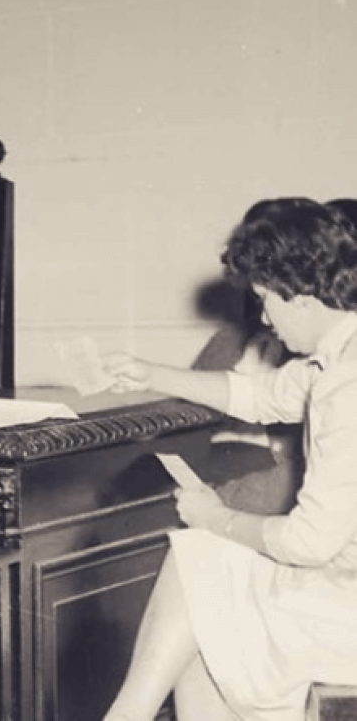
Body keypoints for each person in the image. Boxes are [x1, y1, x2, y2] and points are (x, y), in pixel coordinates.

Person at [100, 198, 357, 721]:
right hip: (342, 585)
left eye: (266, 299)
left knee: (203, 567)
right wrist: (150, 373)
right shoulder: (337, 357)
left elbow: (310, 542)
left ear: (301, 296)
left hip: (345, 612)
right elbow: (259, 396)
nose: (263, 316)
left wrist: (217, 518)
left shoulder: (347, 385)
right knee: (206, 616)